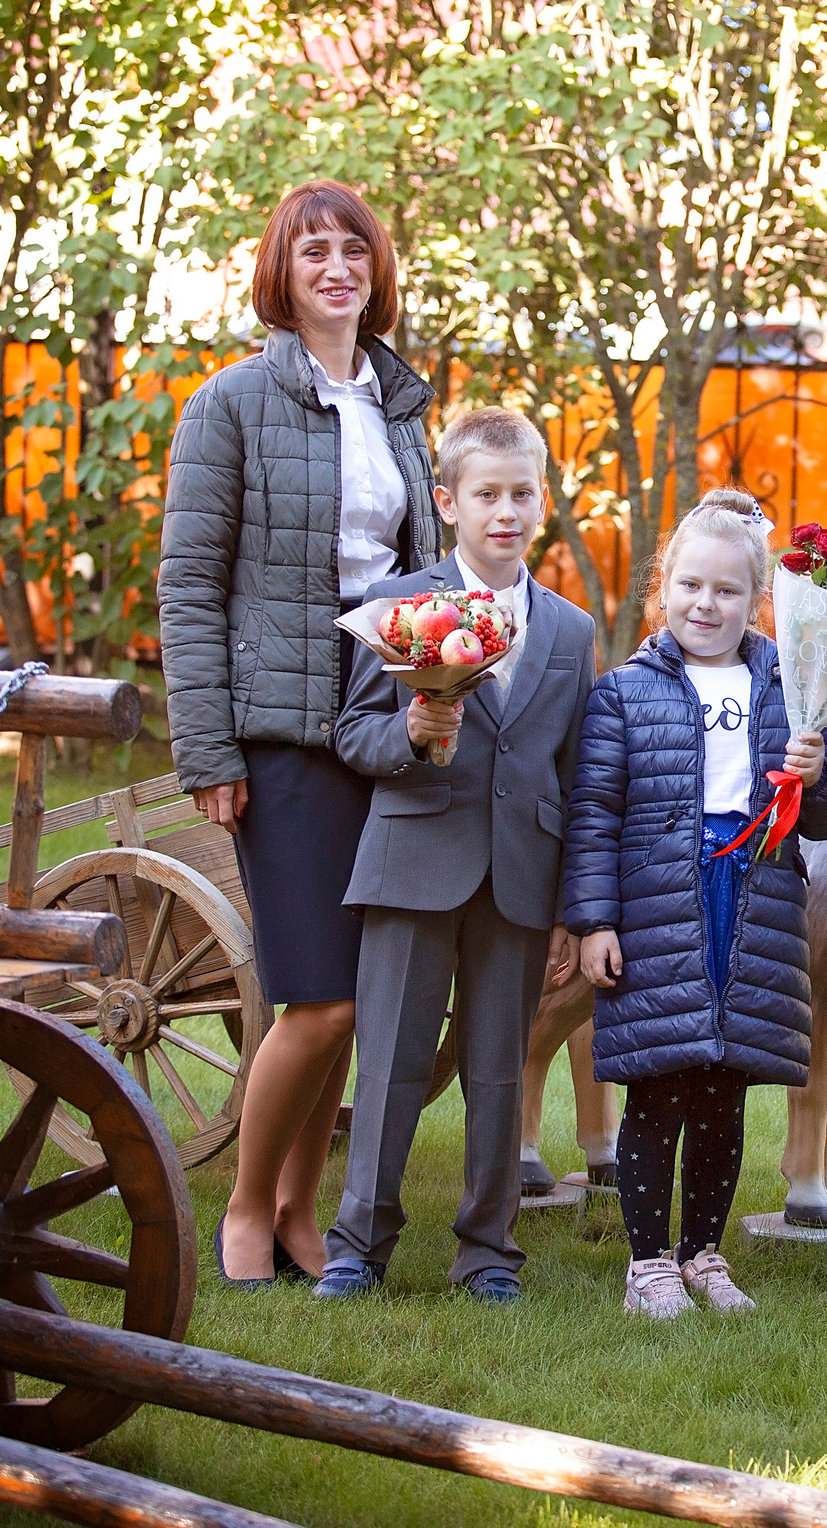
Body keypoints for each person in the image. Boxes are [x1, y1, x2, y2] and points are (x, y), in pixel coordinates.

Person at [161, 179, 441, 1289]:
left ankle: (296, 1207)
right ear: (281, 272)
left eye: (354, 251)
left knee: (358, 999)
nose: (336, 267)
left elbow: (421, 567)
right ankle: (242, 1206)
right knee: (316, 997)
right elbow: (188, 588)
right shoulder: (228, 404)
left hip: (389, 717)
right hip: (281, 731)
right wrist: (210, 752)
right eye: (313, 251)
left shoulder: (402, 404)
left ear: (376, 271)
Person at [318, 406, 597, 1304]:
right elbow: (353, 734)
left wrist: (568, 905)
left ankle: (487, 1250)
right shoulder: (402, 605)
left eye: (522, 493)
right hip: (414, 859)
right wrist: (410, 727)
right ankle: (360, 1242)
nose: (505, 511)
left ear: (543, 501)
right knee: (393, 1058)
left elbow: (575, 773)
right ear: (448, 502)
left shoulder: (569, 630)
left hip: (520, 876)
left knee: (496, 1068)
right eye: (486, 494)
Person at [564, 490, 827, 1318]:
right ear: (664, 586)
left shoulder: (794, 690)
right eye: (691, 585)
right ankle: (648, 1263)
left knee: (725, 1092)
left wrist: (819, 770)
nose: (706, 603)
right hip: (661, 905)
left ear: (756, 598)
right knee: (660, 1087)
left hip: (752, 904)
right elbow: (593, 816)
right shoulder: (623, 694)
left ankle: (704, 1255)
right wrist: (594, 920)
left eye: (727, 590)